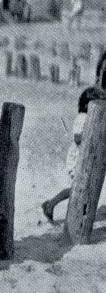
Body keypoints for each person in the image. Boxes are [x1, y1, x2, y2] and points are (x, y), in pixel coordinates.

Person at [42, 86, 105, 221]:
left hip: (85, 158)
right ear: (89, 105)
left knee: (82, 188)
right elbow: (77, 138)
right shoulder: (82, 118)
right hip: (78, 159)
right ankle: (51, 203)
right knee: (78, 189)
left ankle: (58, 207)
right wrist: (92, 135)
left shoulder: (92, 118)